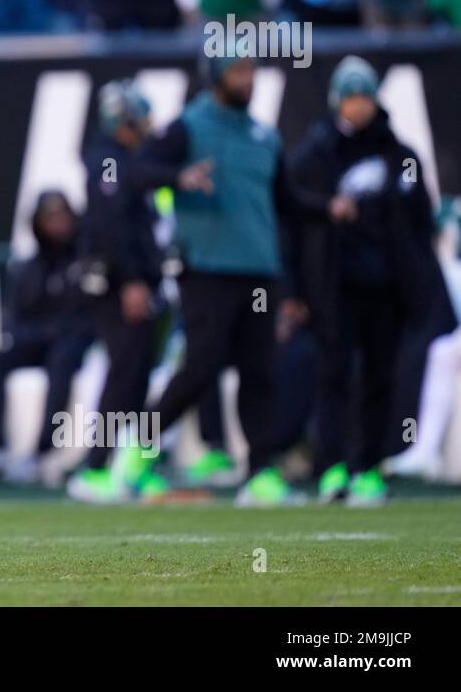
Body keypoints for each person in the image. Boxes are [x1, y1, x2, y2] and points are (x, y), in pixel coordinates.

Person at [107, 44, 355, 506]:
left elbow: (289, 200)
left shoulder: (265, 136)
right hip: (206, 266)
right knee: (200, 365)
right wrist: (179, 177)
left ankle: (260, 471)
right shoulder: (189, 126)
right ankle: (138, 449)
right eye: (239, 70)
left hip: (258, 269)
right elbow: (136, 169)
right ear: (215, 75)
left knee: (259, 371)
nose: (249, 78)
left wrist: (329, 208)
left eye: (251, 69)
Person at [291, 56, 458, 505]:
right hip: (334, 284)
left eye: (364, 97)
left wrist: (415, 279)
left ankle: (368, 466)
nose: (358, 107)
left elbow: (419, 221)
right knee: (333, 375)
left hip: (384, 285)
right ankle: (332, 467)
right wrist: (293, 290)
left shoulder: (399, 156)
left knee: (380, 376)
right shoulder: (315, 154)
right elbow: (294, 222)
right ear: (336, 102)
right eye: (350, 98)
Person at [67, 80, 166, 503]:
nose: (148, 124)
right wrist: (132, 281)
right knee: (124, 370)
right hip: (117, 283)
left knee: (137, 372)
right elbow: (111, 227)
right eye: (142, 116)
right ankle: (95, 467)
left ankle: (126, 465)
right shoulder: (106, 159)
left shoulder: (126, 157)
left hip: (135, 279)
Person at [0, 191, 93, 484]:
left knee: (63, 360)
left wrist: (59, 331)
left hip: (72, 345)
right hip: (37, 341)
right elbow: (14, 322)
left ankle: (42, 450)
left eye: (62, 218)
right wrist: (42, 333)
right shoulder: (29, 268)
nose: (57, 225)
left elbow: (90, 316)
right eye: (50, 219)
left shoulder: (86, 263)